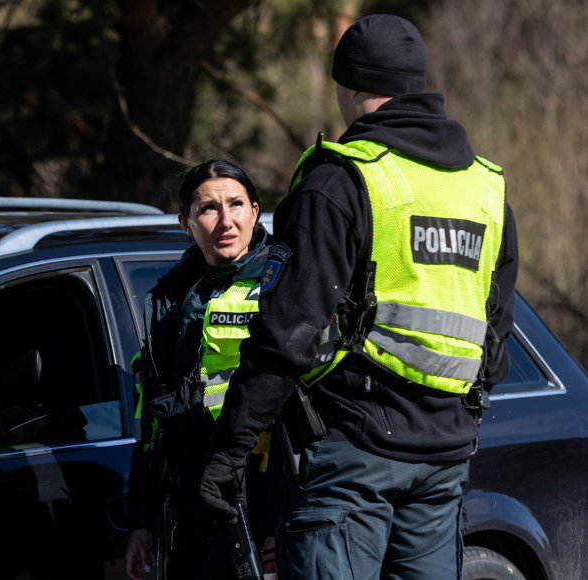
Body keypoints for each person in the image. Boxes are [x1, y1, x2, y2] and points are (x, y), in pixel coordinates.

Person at [199, 14, 518, 580]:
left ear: (346, 85)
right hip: (445, 455)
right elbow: (494, 338)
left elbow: (286, 334)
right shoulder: (485, 187)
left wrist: (230, 449)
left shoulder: (340, 182)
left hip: (352, 455)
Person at [125, 159, 276, 580]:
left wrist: (282, 525)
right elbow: (153, 422)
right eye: (208, 208)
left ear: (255, 211)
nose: (226, 220)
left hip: (259, 502)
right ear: (185, 223)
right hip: (190, 508)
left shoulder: (281, 286)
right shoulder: (167, 298)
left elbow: (306, 413)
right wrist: (141, 521)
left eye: (237, 204)